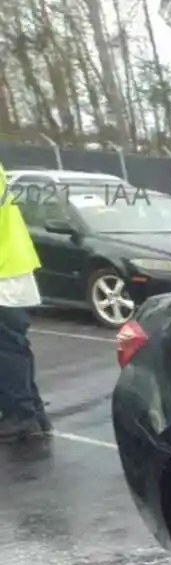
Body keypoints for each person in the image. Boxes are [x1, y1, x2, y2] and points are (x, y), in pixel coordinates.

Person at [0, 160, 52, 442]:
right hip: (11, 265)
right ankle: (33, 412)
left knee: (7, 347)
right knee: (14, 345)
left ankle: (21, 415)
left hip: (4, 269)